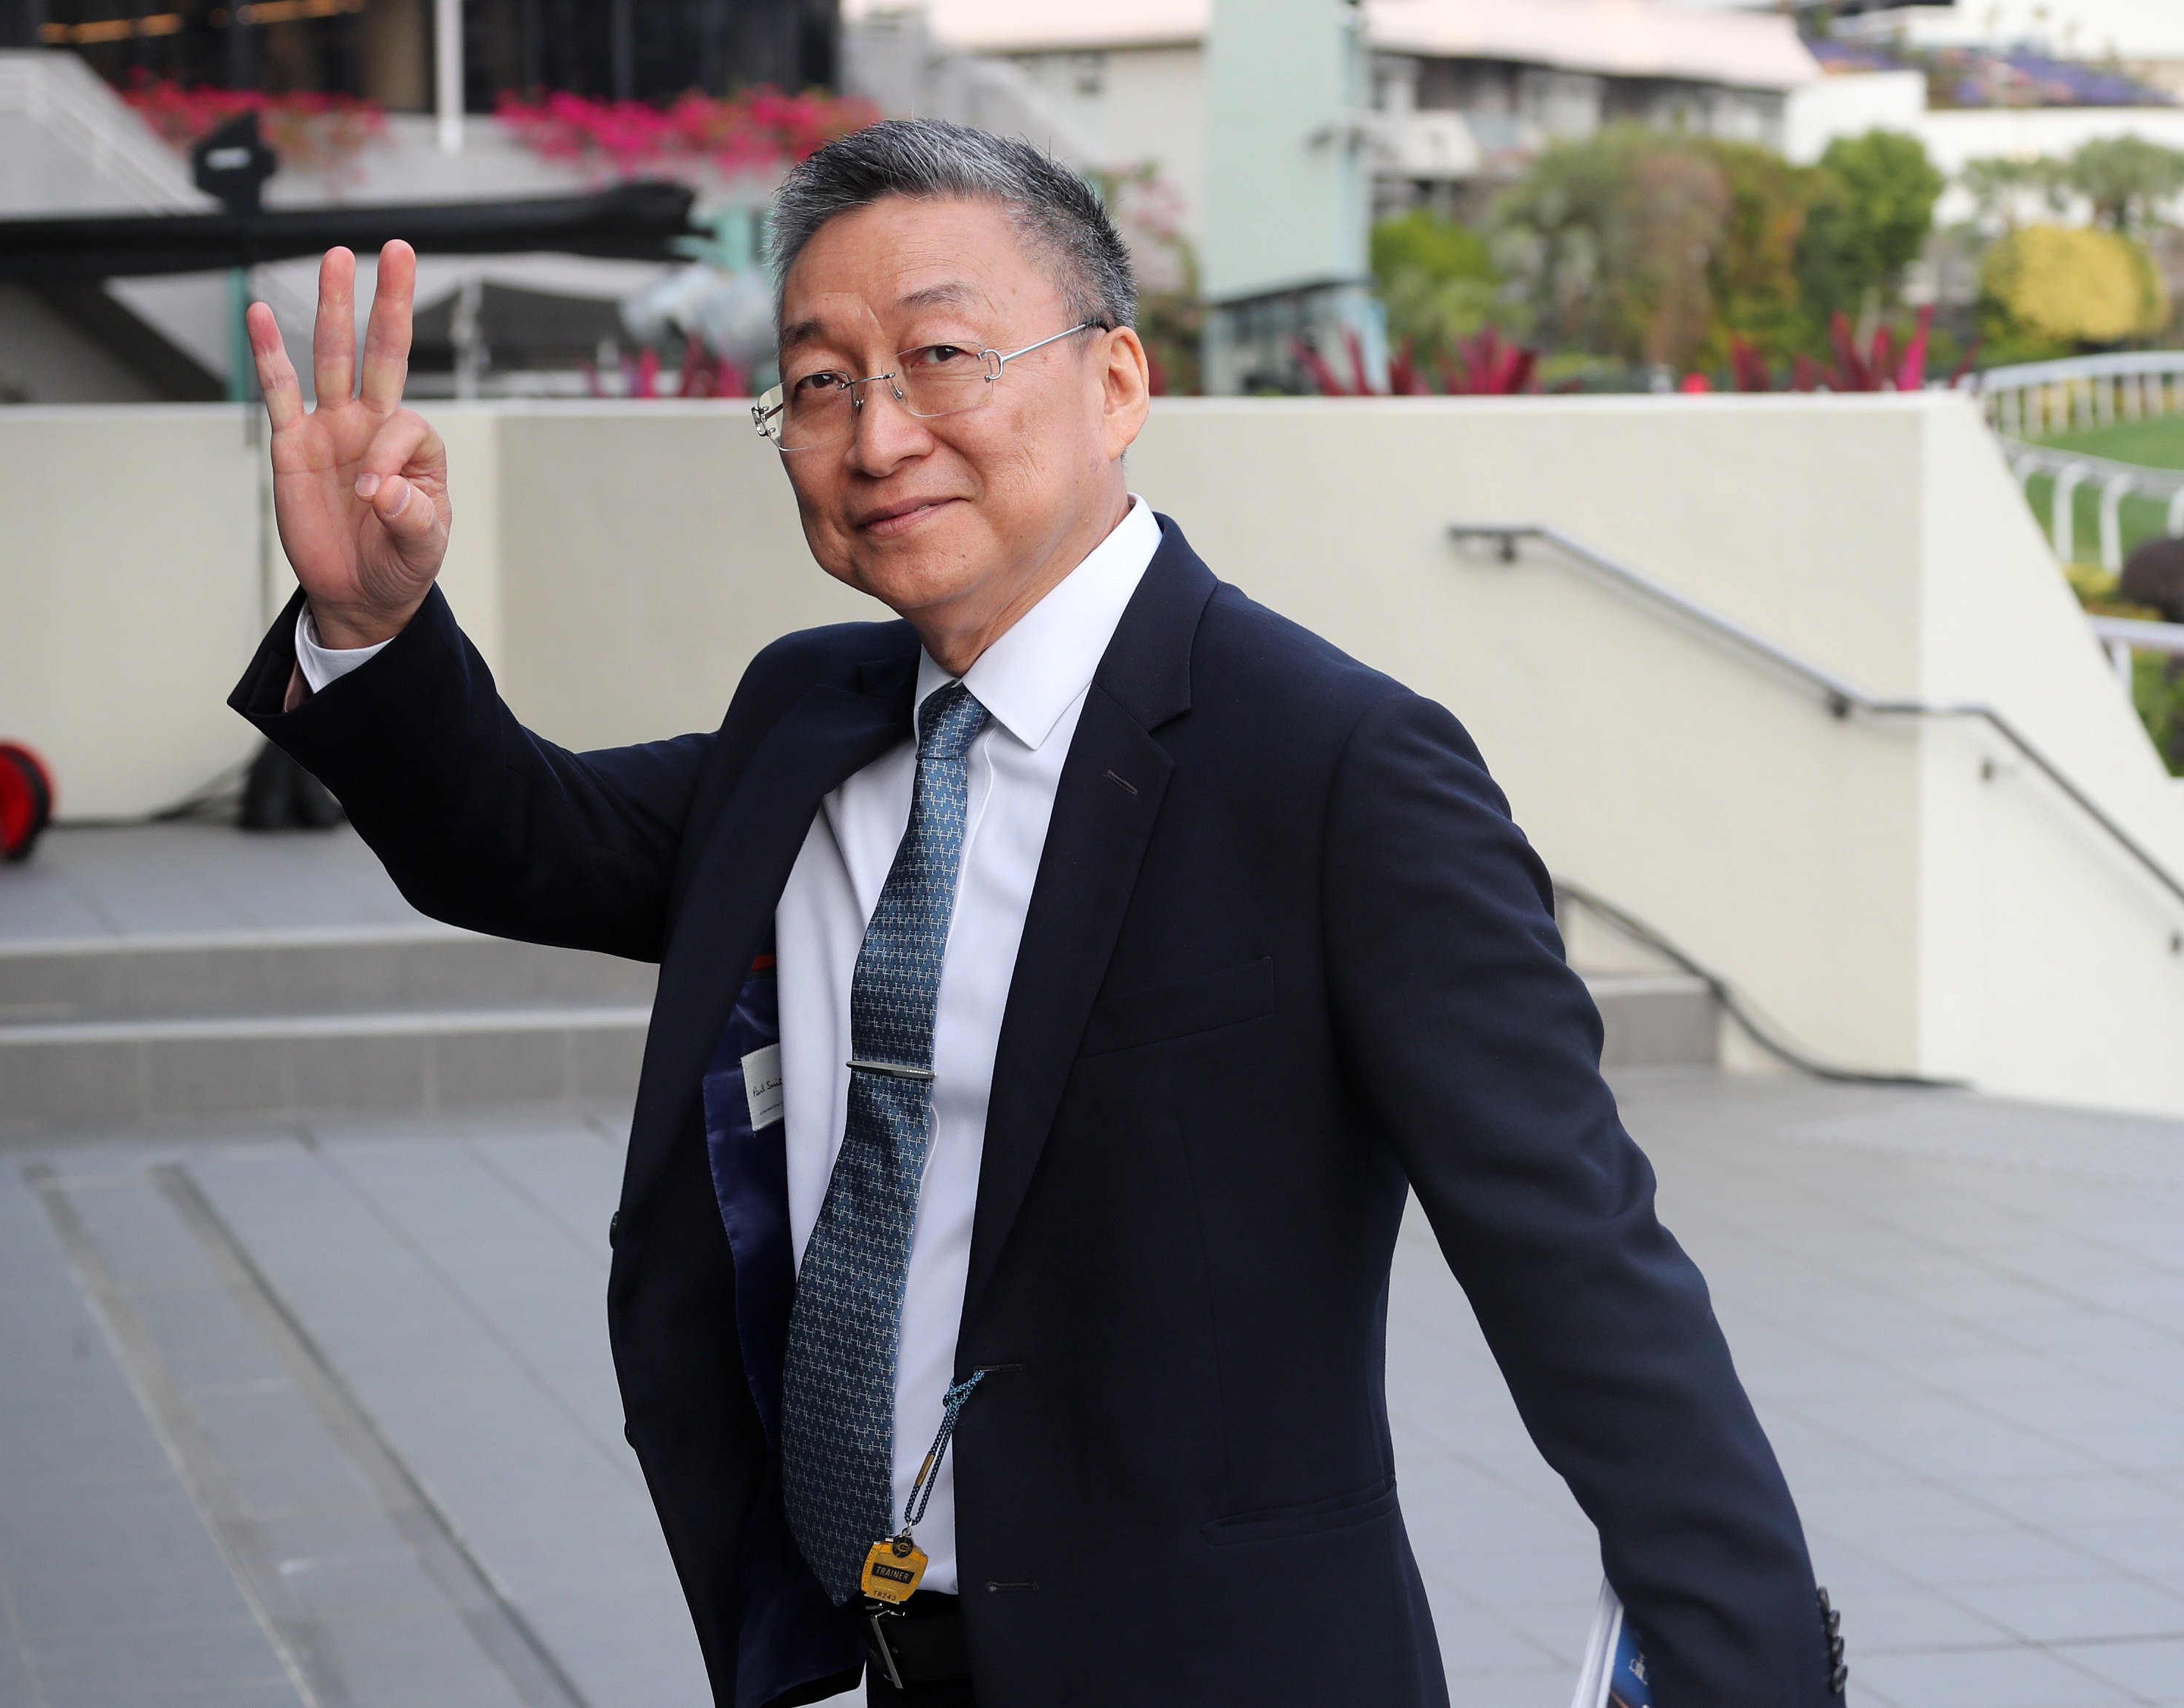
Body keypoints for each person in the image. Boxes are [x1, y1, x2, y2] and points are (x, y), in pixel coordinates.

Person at [229, 121, 1845, 1708]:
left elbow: (1582, 1264)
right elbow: (525, 840)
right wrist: (373, 624)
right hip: (880, 1651)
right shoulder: (811, 717)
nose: (875, 439)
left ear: (1117, 382)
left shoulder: (1336, 768)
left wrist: (1746, 1659)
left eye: (940, 357)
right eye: (816, 383)